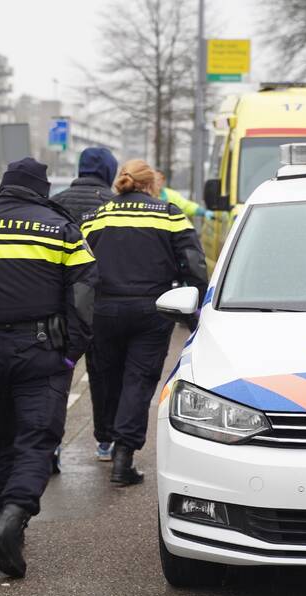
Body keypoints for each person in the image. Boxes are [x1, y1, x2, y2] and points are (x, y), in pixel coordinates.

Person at [0, 157, 97, 578]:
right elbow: (87, 289)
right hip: (41, 350)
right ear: (41, 187)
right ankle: (14, 515)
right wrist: (72, 350)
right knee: (36, 439)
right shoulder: (61, 228)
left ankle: (3, 520)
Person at [81, 160, 208, 486]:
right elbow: (193, 262)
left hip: (104, 309)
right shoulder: (168, 214)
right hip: (153, 310)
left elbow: (79, 264)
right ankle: (124, 456)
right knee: (138, 381)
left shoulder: (98, 215)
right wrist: (196, 304)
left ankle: (106, 439)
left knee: (105, 377)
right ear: (151, 183)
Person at [52, 147, 119, 462]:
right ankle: (105, 441)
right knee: (102, 374)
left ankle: (50, 445)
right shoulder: (113, 205)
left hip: (59, 304)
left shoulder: (57, 202)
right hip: (102, 302)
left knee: (56, 377)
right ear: (109, 171)